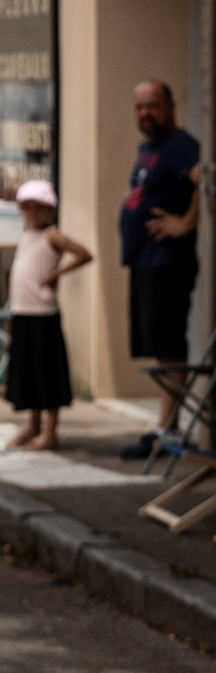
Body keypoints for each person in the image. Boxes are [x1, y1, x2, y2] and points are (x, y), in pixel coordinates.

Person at [119, 79, 202, 460]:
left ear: (170, 105)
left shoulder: (180, 146)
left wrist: (186, 222)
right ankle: (163, 426)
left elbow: (206, 180)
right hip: (146, 262)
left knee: (169, 347)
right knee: (158, 347)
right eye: (139, 107)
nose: (145, 114)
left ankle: (165, 433)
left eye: (152, 106)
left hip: (169, 263)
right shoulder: (148, 148)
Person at [5, 180, 92, 452]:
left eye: (39, 209)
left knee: (47, 374)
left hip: (43, 314)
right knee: (28, 373)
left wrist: (56, 274)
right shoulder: (25, 236)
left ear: (49, 210)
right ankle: (33, 425)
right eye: (28, 208)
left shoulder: (52, 235)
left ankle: (50, 431)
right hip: (22, 312)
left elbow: (84, 254)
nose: (33, 214)